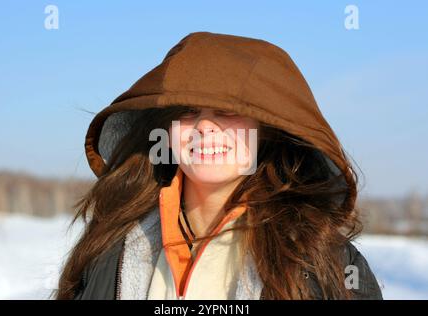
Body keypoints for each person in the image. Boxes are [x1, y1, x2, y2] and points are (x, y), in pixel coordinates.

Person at [56, 31, 382, 300]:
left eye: (227, 112)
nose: (205, 128)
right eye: (188, 112)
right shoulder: (111, 247)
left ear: (266, 131)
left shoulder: (323, 260)